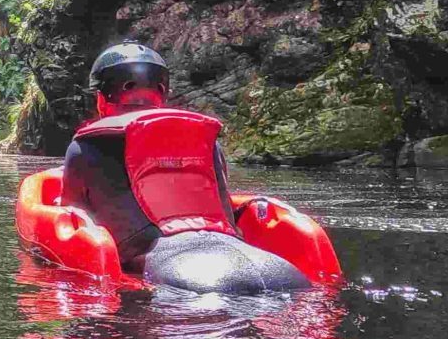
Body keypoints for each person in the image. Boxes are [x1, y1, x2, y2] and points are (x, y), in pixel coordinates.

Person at [61, 41, 311, 295]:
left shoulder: (86, 146)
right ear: (162, 94)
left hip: (191, 279)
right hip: (280, 271)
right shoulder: (206, 140)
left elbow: (71, 220)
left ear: (102, 98)